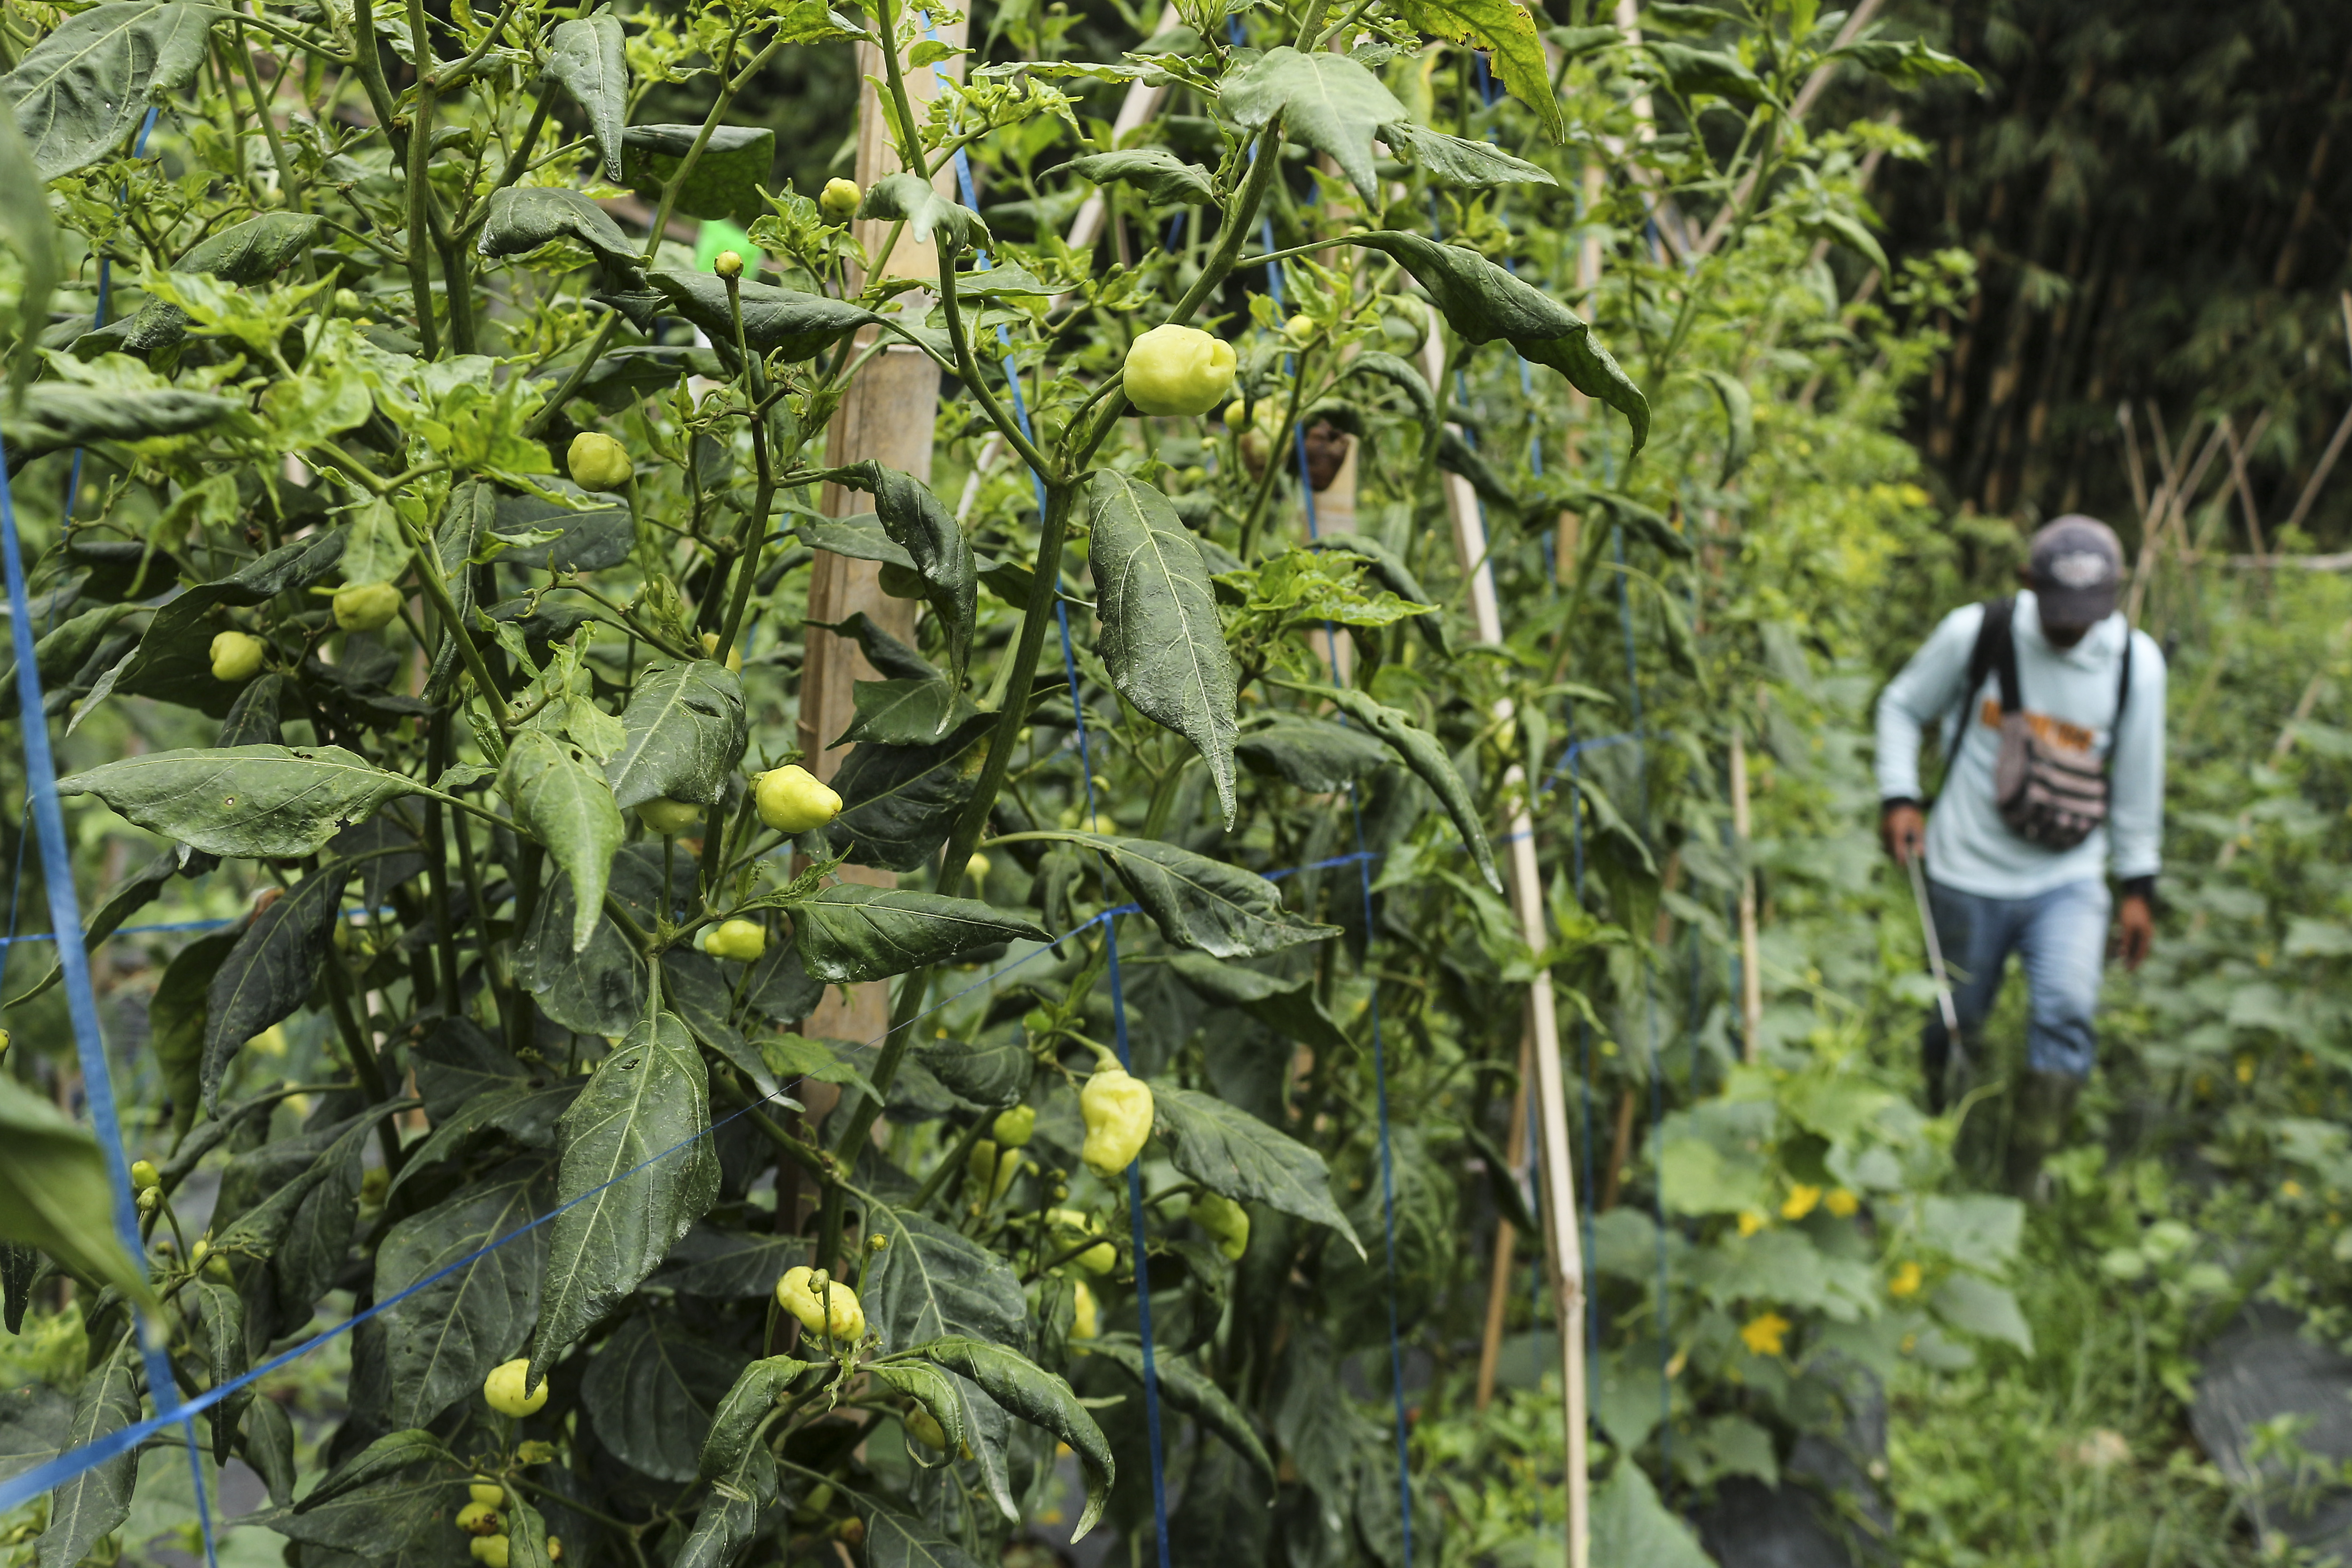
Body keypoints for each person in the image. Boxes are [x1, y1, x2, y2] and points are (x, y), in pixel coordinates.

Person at [1875, 516, 2165, 1194]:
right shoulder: (1978, 632)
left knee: (2066, 1010)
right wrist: (1899, 795)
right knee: (1955, 1019)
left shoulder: (2135, 664)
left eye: (2087, 615)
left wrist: (2138, 887)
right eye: (2059, 612)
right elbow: (1900, 705)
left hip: (2069, 876)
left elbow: (2138, 782)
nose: (2072, 629)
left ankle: (2023, 1176)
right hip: (1964, 867)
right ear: (2027, 582)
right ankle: (1941, 1142)